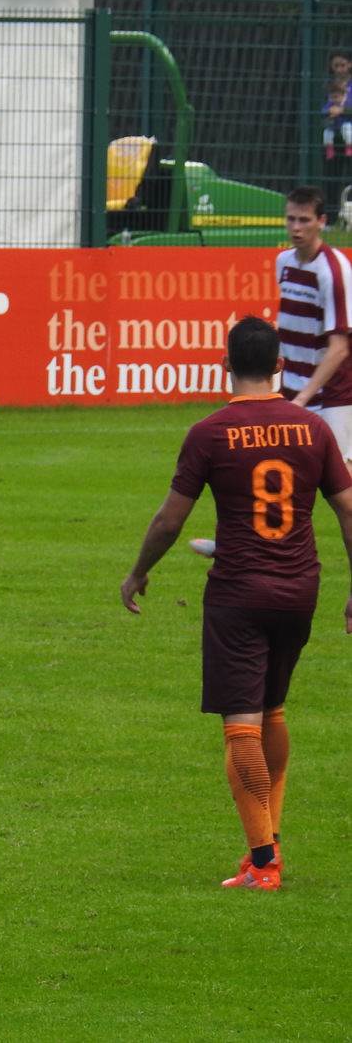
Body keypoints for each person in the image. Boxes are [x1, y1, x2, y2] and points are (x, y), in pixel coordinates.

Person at [120, 316, 352, 890]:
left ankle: (264, 863)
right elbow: (348, 509)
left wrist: (139, 572)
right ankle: (266, 848)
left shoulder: (210, 433)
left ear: (226, 364)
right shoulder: (313, 429)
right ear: (280, 365)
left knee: (241, 726)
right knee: (272, 709)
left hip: (238, 595)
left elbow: (169, 520)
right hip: (299, 591)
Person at [278, 186, 352, 463]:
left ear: (321, 221)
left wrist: (303, 398)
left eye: (304, 220)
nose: (296, 227)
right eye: (291, 219)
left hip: (331, 396)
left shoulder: (332, 271)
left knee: (340, 479)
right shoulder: (284, 262)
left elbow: (339, 348)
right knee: (290, 473)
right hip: (292, 392)